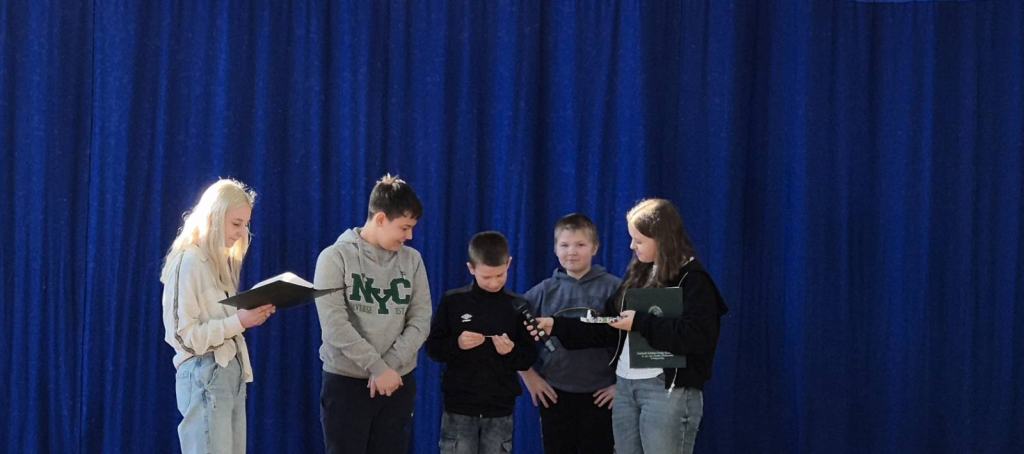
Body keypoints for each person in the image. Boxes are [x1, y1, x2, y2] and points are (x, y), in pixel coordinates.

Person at [531, 199, 728, 454]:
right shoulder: (638, 274)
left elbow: (697, 337)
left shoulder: (693, 280)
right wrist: (557, 325)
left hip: (665, 390)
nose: (632, 246)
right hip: (626, 386)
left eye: (639, 240)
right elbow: (607, 326)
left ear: (662, 239)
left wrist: (640, 322)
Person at [314, 174, 432, 454]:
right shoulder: (334, 257)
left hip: (396, 382)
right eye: (404, 227)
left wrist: (388, 367)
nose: (409, 236)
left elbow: (420, 320)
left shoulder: (413, 260)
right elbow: (334, 325)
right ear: (380, 219)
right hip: (346, 382)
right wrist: (376, 367)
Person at [160, 178, 276, 454]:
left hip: (228, 373)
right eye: (236, 223)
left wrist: (247, 315)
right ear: (213, 216)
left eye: (245, 224)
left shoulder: (216, 263)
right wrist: (239, 321)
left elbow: (217, 323)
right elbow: (182, 336)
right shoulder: (188, 261)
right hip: (206, 375)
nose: (242, 232)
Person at [426, 231, 539, 454]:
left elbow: (528, 357)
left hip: (500, 408)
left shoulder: (519, 305)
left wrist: (511, 351)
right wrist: (457, 344)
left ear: (509, 264)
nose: (494, 282)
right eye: (486, 277)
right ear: (471, 268)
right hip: (459, 406)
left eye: (500, 275)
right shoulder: (453, 301)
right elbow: (433, 348)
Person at [519, 213, 620, 454]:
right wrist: (530, 377)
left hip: (602, 395)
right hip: (555, 393)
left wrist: (621, 387)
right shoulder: (543, 292)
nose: (571, 252)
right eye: (564, 245)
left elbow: (633, 341)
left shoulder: (615, 289)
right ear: (555, 248)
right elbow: (511, 335)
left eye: (580, 244)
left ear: (594, 247)